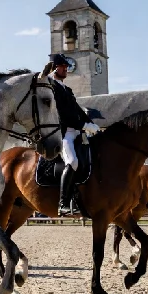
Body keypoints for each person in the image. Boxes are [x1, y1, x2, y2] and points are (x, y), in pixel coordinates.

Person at [48, 54, 101, 216]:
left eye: (66, 67)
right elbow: (62, 115)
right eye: (63, 67)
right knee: (72, 162)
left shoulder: (66, 89)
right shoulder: (51, 88)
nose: (66, 69)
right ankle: (63, 203)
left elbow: (78, 111)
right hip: (64, 134)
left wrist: (91, 124)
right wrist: (84, 125)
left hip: (77, 132)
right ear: (54, 68)